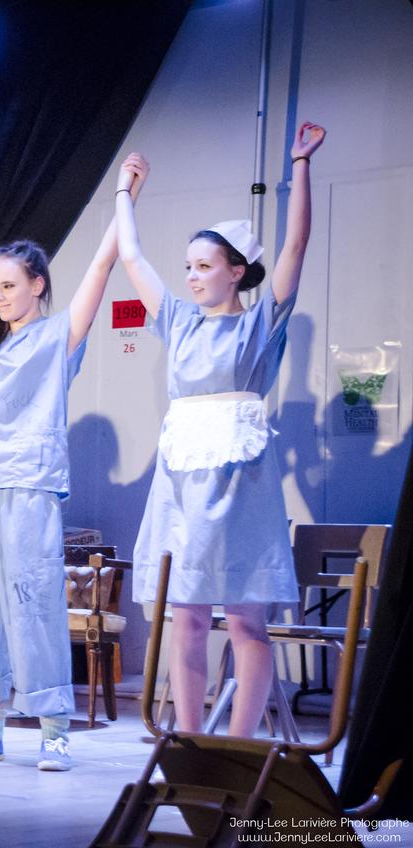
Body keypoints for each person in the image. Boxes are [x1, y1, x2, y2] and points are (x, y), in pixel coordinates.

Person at [0, 153, 144, 771]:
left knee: (33, 603)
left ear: (38, 285)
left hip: (28, 483)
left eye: (10, 285)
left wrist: (125, 192)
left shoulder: (58, 337)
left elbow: (101, 266)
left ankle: (53, 729)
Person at [119, 122, 327, 737]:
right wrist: (125, 193)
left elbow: (295, 246)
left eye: (204, 266)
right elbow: (131, 257)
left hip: (241, 486)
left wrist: (301, 166)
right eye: (188, 266)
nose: (192, 276)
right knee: (185, 619)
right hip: (182, 482)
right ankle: (188, 738)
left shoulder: (261, 323)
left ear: (236, 271)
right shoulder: (178, 321)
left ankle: (237, 746)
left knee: (244, 623)